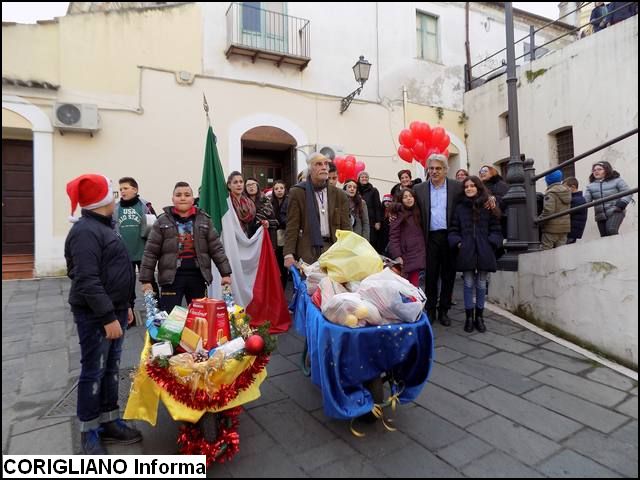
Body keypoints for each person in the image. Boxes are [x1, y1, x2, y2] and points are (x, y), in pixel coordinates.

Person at [64, 173, 141, 454]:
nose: (116, 196)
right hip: (96, 316)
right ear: (102, 200)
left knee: (111, 369)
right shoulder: (85, 232)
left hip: (116, 309)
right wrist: (108, 317)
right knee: (93, 371)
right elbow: (86, 279)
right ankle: (89, 431)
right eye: (111, 193)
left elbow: (117, 270)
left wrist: (126, 306)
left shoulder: (106, 224)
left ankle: (109, 421)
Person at [139, 181, 232, 312]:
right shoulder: (161, 221)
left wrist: (225, 273)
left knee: (199, 318)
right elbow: (150, 252)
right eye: (178, 195)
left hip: (198, 276)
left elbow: (216, 248)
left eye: (187, 194)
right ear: (173, 199)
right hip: (171, 278)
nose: (183, 198)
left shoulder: (204, 220)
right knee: (169, 320)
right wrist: (146, 280)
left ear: (193, 199)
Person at [449, 176, 503, 333]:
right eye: (466, 186)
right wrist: (458, 243)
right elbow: (453, 230)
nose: (469, 188)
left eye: (472, 186)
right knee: (467, 284)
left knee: (481, 284)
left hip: (484, 250)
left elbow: (496, 229)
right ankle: (468, 317)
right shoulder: (459, 208)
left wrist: (491, 243)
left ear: (478, 188)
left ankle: (479, 317)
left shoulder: (488, 206)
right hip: (466, 251)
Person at [414, 154, 463, 326]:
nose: (434, 171)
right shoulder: (419, 189)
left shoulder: (457, 187)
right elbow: (408, 206)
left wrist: (490, 199)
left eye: (438, 168)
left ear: (445, 170)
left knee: (449, 275)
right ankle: (431, 310)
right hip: (430, 237)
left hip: (450, 237)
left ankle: (444, 310)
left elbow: (473, 199)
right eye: (431, 168)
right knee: (431, 275)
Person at [284, 152, 351, 267]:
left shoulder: (340, 195)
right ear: (310, 169)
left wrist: (350, 251)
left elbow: (346, 227)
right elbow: (292, 225)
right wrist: (288, 254)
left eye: (326, 164)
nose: (324, 167)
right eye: (319, 164)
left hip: (333, 249)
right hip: (308, 251)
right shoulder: (298, 192)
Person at [113, 177, 159, 310]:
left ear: (135, 189)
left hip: (143, 252)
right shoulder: (116, 208)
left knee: (149, 282)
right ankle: (129, 313)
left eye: (126, 188)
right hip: (124, 254)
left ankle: (155, 309)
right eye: (121, 189)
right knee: (126, 284)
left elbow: (155, 227)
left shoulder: (145, 205)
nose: (122, 191)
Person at [583, 161, 634, 237]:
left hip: (615, 210)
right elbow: (586, 201)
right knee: (604, 237)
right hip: (600, 215)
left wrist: (622, 204)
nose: (596, 171)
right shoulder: (590, 186)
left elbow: (628, 192)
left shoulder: (617, 180)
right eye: (594, 170)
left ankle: (618, 248)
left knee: (611, 230)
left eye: (599, 169)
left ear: (606, 170)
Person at [388, 188, 426, 287]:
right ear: (401, 200)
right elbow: (394, 237)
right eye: (405, 197)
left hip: (417, 254)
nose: (409, 199)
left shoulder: (418, 212)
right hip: (405, 255)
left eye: (410, 196)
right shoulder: (398, 214)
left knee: (414, 285)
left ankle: (414, 302)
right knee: (404, 286)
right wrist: (397, 255)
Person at [537, 170, 571, 250]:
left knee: (546, 252)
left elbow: (548, 211)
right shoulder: (567, 191)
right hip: (564, 227)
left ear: (548, 180)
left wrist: (539, 221)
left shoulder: (551, 193)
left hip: (551, 228)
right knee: (561, 252)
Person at [245, 177, 278, 243]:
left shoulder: (266, 201)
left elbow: (275, 222)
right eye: (248, 185)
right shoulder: (243, 203)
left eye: (253, 184)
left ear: (257, 186)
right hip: (247, 238)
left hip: (264, 238)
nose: (251, 187)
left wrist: (268, 223)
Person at [357, 171, 383, 252]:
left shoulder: (373, 190)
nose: (364, 178)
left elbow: (377, 206)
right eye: (362, 177)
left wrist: (378, 221)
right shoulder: (355, 190)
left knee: (371, 242)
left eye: (366, 177)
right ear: (359, 179)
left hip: (371, 221)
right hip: (358, 220)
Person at [270, 180, 289, 287]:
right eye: (276, 189)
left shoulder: (289, 201)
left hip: (286, 235)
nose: (279, 191)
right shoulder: (270, 202)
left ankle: (283, 287)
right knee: (275, 264)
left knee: (284, 265)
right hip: (274, 237)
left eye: (281, 188)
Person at [562, 177, 588, 244]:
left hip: (571, 232)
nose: (563, 191)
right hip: (571, 231)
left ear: (573, 187)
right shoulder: (576, 198)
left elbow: (565, 212)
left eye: (565, 188)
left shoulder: (577, 200)